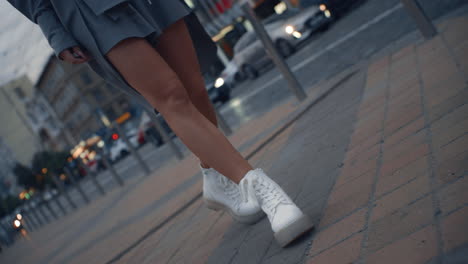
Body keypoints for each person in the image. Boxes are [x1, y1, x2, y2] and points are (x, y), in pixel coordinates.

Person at [7, 0, 313, 247]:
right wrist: (56, 32)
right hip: (88, 9)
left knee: (194, 88)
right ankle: (266, 193)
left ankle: (216, 179)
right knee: (170, 95)